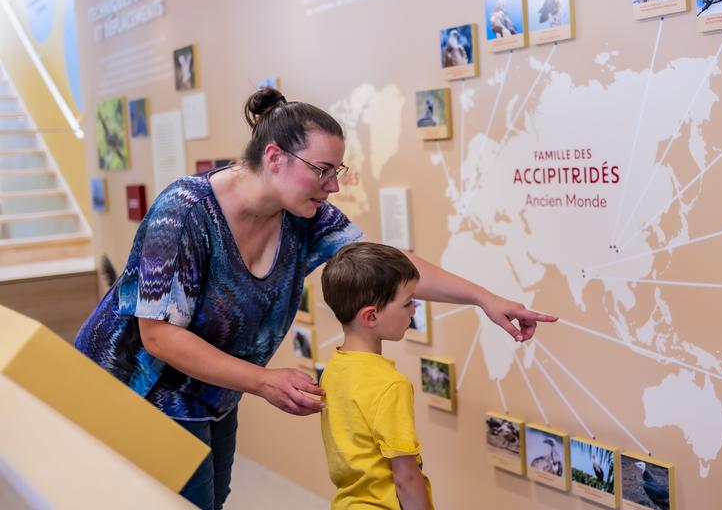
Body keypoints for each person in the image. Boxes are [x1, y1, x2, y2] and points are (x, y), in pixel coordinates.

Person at [74, 87, 554, 510]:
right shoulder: (184, 214)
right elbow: (158, 336)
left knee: (212, 499)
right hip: (138, 396)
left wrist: (483, 298)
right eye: (323, 170)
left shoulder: (302, 215)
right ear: (276, 156)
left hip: (213, 395)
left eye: (336, 171)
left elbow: (385, 266)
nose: (334, 185)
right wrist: (262, 381)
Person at [319, 242, 433, 510]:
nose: (413, 310)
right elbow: (405, 476)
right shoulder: (391, 385)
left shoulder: (335, 368)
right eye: (407, 303)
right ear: (370, 316)